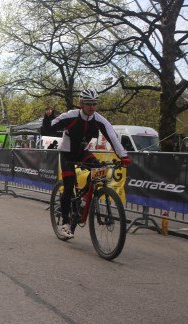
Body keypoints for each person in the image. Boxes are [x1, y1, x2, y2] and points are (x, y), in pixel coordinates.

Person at [42, 89, 131, 239]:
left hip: (82, 152)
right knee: (69, 185)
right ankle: (65, 224)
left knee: (99, 169)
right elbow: (49, 127)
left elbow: (112, 137)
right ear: (81, 104)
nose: (92, 107)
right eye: (89, 104)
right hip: (67, 153)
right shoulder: (71, 116)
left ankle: (83, 200)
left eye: (95, 104)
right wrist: (47, 117)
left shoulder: (99, 119)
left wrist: (123, 156)